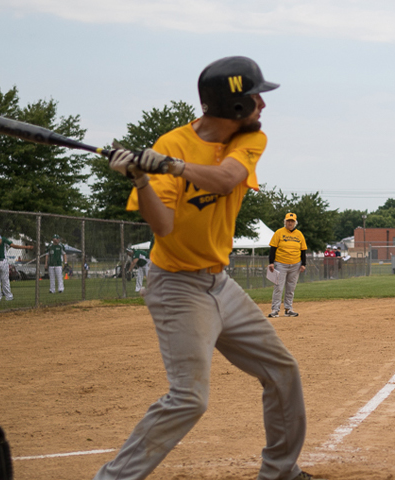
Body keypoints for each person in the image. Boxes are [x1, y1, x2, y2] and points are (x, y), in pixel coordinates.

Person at [101, 55, 313, 480]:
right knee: (189, 398)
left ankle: (280, 473)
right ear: (235, 106)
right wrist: (142, 179)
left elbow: (225, 179)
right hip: (177, 286)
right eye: (256, 98)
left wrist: (172, 168)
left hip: (220, 284)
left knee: (282, 371)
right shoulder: (171, 144)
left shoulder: (248, 140)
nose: (263, 106)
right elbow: (163, 226)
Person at [268, 213, 307, 317]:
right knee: (278, 287)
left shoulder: (299, 234)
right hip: (280, 263)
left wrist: (303, 264)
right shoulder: (279, 232)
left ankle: (288, 309)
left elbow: (303, 250)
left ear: (295, 222)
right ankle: (275, 310)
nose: (290, 223)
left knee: (291, 287)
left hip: (295, 264)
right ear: (285, 222)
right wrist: (271, 262)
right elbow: (273, 248)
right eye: (288, 221)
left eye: (292, 221)